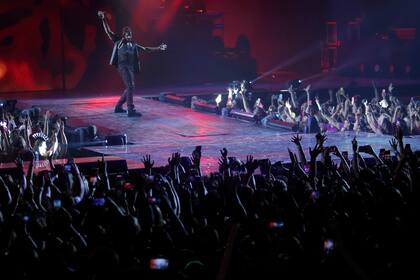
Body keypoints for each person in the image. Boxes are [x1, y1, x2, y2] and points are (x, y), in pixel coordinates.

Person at [98, 11, 167, 117]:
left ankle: (118, 107)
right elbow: (108, 31)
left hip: (130, 67)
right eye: (127, 34)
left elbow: (145, 49)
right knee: (130, 86)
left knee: (130, 87)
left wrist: (158, 47)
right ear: (124, 35)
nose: (129, 36)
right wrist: (103, 19)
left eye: (130, 34)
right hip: (122, 67)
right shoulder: (118, 41)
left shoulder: (133, 44)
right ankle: (130, 110)